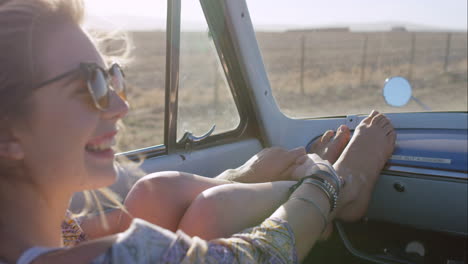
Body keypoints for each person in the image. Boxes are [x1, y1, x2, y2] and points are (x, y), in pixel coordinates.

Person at [0, 0, 396, 263]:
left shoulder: (34, 228)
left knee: (157, 192)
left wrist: (240, 176)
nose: (121, 105)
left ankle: (274, 182)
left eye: (113, 78)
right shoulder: (132, 255)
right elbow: (261, 254)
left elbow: (84, 233)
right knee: (210, 213)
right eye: (92, 86)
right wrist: (326, 181)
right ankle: (347, 186)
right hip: (312, 195)